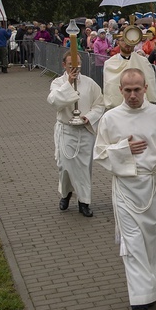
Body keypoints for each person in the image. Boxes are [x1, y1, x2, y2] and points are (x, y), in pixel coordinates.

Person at [93, 68, 156, 310]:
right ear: (120, 90)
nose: (132, 95)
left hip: (153, 185)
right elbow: (100, 153)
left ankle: (150, 289)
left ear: (145, 88)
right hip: (125, 189)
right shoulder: (111, 118)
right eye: (127, 90)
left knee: (151, 242)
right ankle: (139, 304)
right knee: (132, 245)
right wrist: (124, 149)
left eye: (137, 89)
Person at [47, 51, 105, 217]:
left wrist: (89, 117)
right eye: (71, 65)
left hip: (85, 130)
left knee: (84, 168)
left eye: (78, 64)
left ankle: (84, 201)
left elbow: (100, 104)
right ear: (64, 65)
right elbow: (55, 101)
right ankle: (66, 194)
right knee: (64, 167)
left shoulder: (90, 83)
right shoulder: (58, 83)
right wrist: (69, 83)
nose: (75, 68)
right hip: (66, 129)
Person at [103, 32, 156, 109]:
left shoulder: (143, 62)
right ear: (118, 42)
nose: (127, 43)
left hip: (141, 108)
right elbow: (110, 88)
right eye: (123, 40)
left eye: (130, 40)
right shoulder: (110, 63)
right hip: (118, 110)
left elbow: (149, 82)